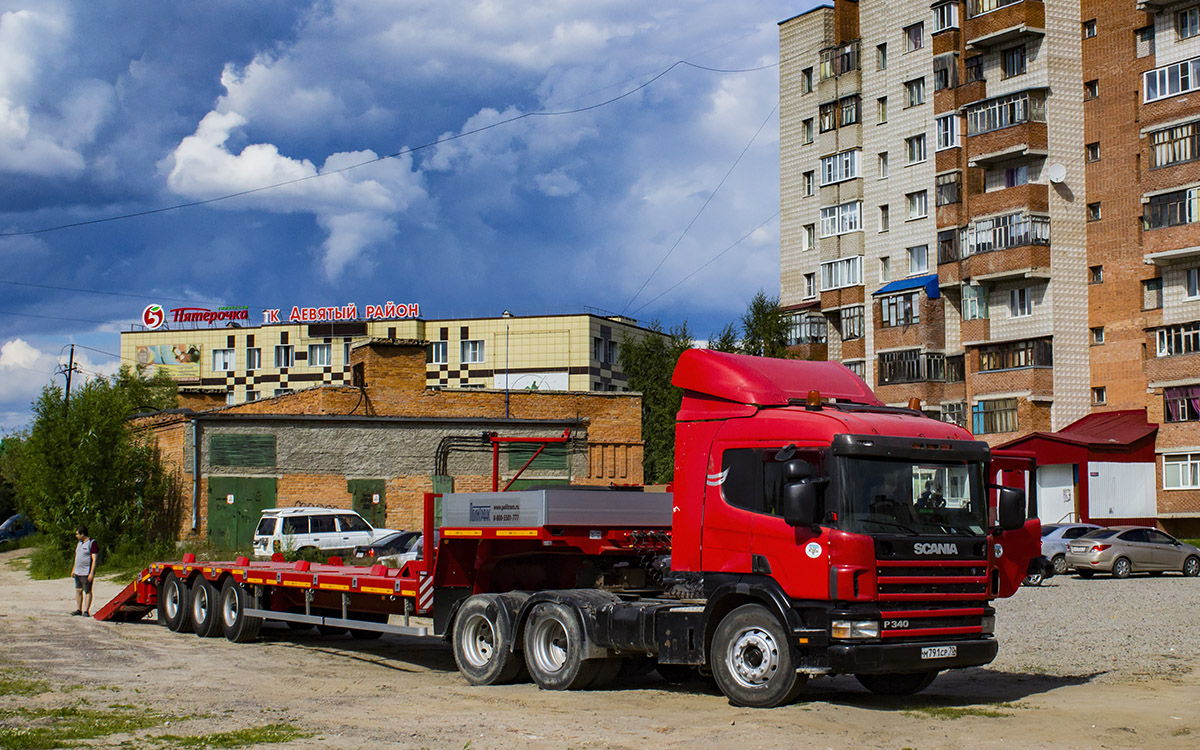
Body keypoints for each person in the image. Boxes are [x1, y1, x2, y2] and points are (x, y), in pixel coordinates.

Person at [71, 526, 98, 617]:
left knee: (87, 591)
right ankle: (79, 609)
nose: (76, 536)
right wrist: (73, 569)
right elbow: (77, 557)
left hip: (86, 572)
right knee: (78, 590)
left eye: (77, 534)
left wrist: (91, 573)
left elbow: (94, 559)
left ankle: (86, 610)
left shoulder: (92, 543)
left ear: (82, 534)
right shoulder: (79, 543)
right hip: (78, 572)